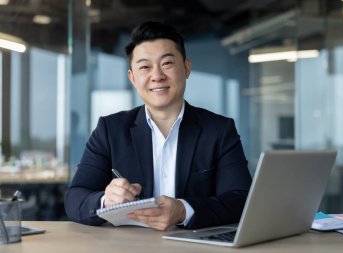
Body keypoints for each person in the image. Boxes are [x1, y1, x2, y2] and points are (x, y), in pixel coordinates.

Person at [64, 21, 252, 231]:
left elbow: (241, 199)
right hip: (127, 247)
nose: (157, 76)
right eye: (145, 67)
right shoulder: (110, 130)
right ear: (133, 78)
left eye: (167, 63)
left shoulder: (219, 130)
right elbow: (75, 198)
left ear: (186, 68)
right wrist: (105, 200)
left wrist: (182, 210)